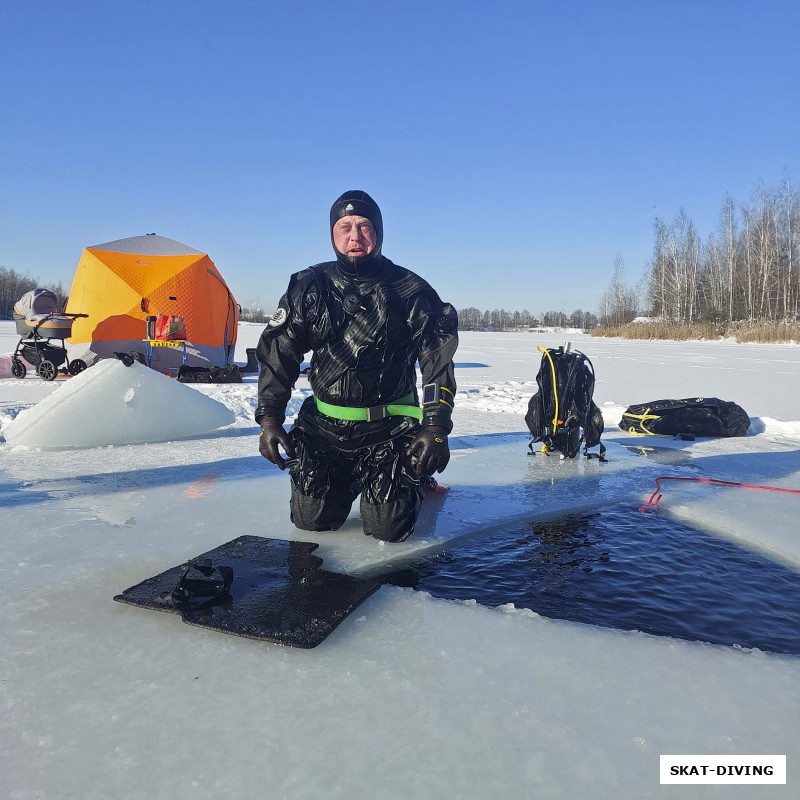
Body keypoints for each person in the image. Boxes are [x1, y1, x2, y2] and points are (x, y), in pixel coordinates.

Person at [255, 189, 458, 543]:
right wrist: (269, 418)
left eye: (364, 226)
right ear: (332, 233)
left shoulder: (409, 290)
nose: (355, 237)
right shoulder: (309, 287)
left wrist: (435, 427)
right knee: (311, 520)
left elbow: (437, 360)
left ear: (378, 231)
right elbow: (278, 352)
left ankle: (412, 481)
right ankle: (349, 480)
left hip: (390, 429)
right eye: (344, 227)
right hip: (324, 428)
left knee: (387, 528)